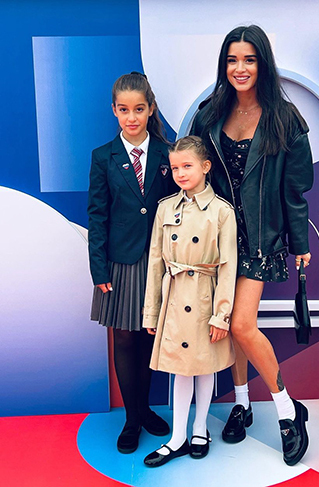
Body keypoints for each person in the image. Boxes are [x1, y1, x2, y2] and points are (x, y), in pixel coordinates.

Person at [190, 25, 314, 466]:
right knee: (228, 323)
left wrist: (299, 242)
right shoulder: (209, 114)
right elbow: (194, 172)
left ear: (263, 63)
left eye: (249, 59)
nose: (239, 68)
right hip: (218, 239)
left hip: (261, 240)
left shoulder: (285, 118)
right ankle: (241, 403)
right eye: (232, 60)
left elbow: (295, 189)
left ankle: (287, 411)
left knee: (242, 324)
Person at [88, 72, 178, 454]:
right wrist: (98, 268)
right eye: (124, 110)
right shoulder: (103, 157)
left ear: (150, 109)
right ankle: (131, 418)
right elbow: (97, 215)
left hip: (158, 261)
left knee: (148, 336)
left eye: (139, 109)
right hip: (120, 262)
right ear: (114, 110)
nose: (131, 117)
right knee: (124, 337)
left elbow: (177, 207)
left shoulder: (166, 154)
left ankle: (144, 410)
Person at [142, 136, 237, 467]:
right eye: (174, 168)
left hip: (204, 298)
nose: (180, 173)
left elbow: (228, 267)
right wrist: (151, 312)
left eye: (187, 166)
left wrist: (221, 316)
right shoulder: (166, 207)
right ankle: (177, 437)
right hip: (174, 297)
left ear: (205, 167)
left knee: (204, 364)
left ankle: (199, 429)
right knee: (180, 368)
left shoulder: (222, 211)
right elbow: (156, 261)